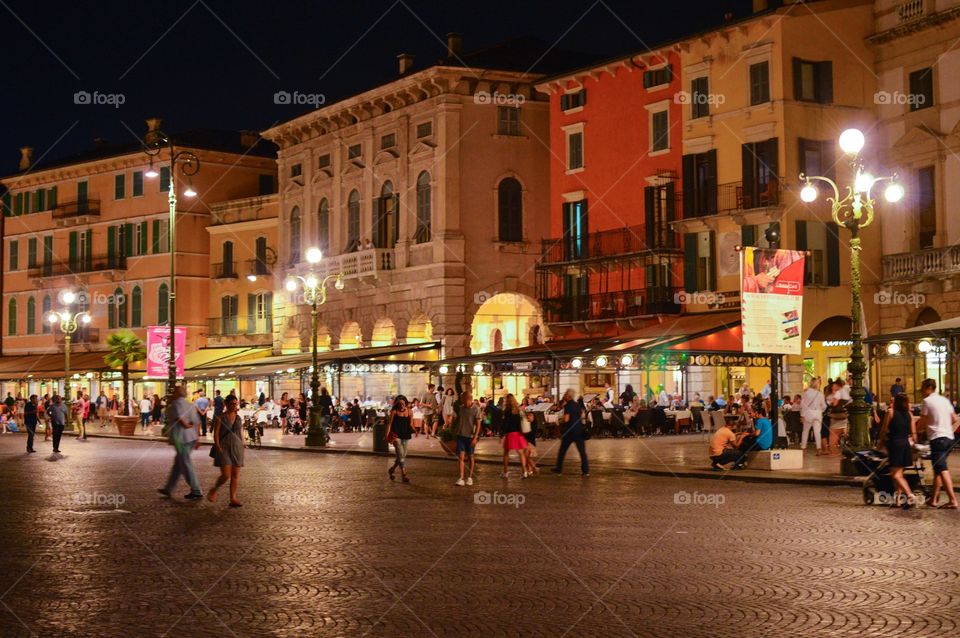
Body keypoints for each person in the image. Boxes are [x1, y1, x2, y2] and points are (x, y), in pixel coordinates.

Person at [918, 378, 959, 509]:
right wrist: (944, 425)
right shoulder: (944, 400)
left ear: (927, 388)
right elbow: (954, 419)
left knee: (942, 469)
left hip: (937, 439)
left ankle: (953, 500)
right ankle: (934, 499)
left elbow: (922, 422)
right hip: (949, 437)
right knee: (938, 469)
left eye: (922, 388)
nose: (921, 391)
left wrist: (916, 430)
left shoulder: (927, 401)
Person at [159, 385, 203, 500]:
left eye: (174, 392)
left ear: (177, 394)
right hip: (191, 438)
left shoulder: (175, 404)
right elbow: (197, 422)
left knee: (185, 463)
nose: (172, 394)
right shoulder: (190, 404)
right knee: (178, 464)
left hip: (181, 438)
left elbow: (179, 418)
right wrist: (197, 437)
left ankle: (196, 489)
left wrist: (186, 425)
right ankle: (168, 488)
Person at [877, 393, 918, 508]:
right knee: (899, 474)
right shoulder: (910, 415)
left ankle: (910, 495)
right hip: (905, 445)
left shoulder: (890, 412)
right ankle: (897, 500)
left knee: (895, 475)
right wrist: (915, 444)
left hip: (895, 445)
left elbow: (884, 430)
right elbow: (914, 434)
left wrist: (880, 444)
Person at [208, 392, 244, 507]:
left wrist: (243, 444)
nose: (234, 406)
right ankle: (214, 489)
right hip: (224, 448)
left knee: (235, 475)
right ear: (226, 404)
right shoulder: (221, 417)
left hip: (237, 448)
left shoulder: (238, 418)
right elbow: (216, 432)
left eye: (235, 404)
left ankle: (233, 498)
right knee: (226, 475)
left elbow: (241, 433)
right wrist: (217, 445)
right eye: (231, 404)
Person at [552, 389, 590, 476]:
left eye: (565, 394)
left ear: (568, 396)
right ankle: (586, 470)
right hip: (579, 431)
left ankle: (559, 468)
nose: (564, 396)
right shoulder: (577, 405)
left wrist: (561, 421)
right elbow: (582, 416)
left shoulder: (568, 406)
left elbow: (566, 419)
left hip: (569, 431)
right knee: (582, 452)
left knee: (562, 451)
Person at [454, 392, 481, 486]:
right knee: (461, 456)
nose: (462, 401)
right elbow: (458, 420)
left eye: (463, 399)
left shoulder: (476, 409)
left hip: (470, 436)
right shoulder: (461, 408)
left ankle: (470, 477)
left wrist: (475, 437)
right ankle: (461, 478)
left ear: (468, 399)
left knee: (470, 456)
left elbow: (478, 424)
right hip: (460, 435)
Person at [500, 393, 529, 478]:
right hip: (518, 433)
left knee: (506, 453)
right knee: (521, 453)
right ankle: (524, 472)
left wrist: (502, 435)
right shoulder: (518, 410)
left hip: (510, 434)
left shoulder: (506, 411)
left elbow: (505, 424)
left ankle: (505, 472)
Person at [384, 396, 413, 483]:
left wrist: (415, 430)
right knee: (401, 455)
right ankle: (404, 474)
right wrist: (386, 435)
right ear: (397, 404)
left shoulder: (410, 411)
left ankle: (392, 469)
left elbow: (410, 424)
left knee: (402, 455)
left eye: (403, 403)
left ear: (406, 403)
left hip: (405, 434)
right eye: (400, 404)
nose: (402, 405)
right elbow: (389, 424)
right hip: (396, 435)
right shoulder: (394, 411)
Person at [800, 378, 827, 454]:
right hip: (818, 414)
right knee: (817, 432)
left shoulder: (806, 393)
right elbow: (824, 406)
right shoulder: (820, 394)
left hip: (808, 413)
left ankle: (803, 448)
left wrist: (802, 415)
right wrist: (820, 410)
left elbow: (802, 405)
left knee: (805, 431)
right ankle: (819, 449)